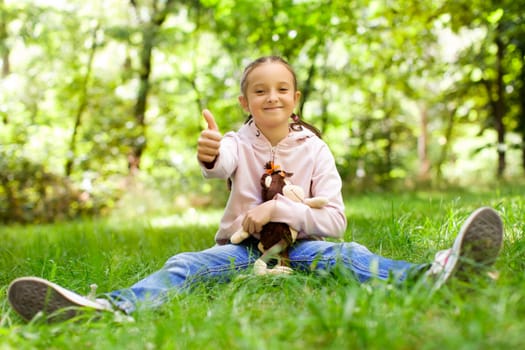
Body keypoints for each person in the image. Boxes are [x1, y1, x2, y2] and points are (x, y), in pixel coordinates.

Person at [6, 56, 504, 322]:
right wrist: (207, 153)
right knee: (185, 266)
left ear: (295, 98)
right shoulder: (235, 143)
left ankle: (435, 275)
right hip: (243, 253)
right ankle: (109, 308)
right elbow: (218, 163)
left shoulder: (316, 151)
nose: (272, 96)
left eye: (281, 89)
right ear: (246, 100)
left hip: (305, 249)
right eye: (260, 90)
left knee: (348, 255)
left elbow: (334, 219)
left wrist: (283, 211)